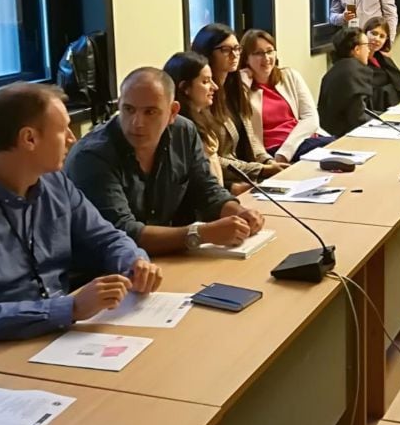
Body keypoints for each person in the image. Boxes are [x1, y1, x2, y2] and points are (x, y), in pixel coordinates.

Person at [0, 83, 163, 359]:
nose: (72, 139)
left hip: (63, 339)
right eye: (63, 130)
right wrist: (69, 308)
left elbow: (107, 238)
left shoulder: (55, 183)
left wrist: (134, 263)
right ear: (29, 139)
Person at [65, 68, 265, 256]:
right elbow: (122, 233)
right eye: (129, 109)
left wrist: (240, 213)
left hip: (165, 259)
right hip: (104, 272)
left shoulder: (183, 132)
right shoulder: (92, 155)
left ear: (173, 112)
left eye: (150, 112)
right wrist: (200, 234)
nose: (137, 122)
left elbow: (205, 189)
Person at [191, 23, 284, 192]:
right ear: (207, 52)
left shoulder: (236, 88)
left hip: (248, 173)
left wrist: (267, 161)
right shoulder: (202, 96)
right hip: (225, 181)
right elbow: (211, 157)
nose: (234, 55)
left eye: (237, 48)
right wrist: (260, 170)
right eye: (226, 50)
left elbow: (251, 137)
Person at [239, 28, 335, 163]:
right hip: (273, 150)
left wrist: (285, 153)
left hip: (304, 142)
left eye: (269, 51)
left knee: (343, 149)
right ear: (246, 58)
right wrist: (242, 83)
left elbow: (311, 117)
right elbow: (249, 134)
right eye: (258, 53)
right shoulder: (243, 88)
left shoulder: (289, 76)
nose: (266, 58)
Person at [164, 51, 223, 183]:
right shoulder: (179, 129)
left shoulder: (203, 115)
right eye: (206, 81)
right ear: (185, 87)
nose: (215, 87)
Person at [318, 28, 374, 137]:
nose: (369, 50)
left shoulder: (338, 69)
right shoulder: (353, 71)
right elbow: (358, 118)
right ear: (357, 49)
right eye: (367, 45)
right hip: (345, 138)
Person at [363, 16, 400, 111]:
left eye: (382, 36)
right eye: (374, 33)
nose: (377, 39)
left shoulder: (383, 60)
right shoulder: (358, 63)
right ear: (365, 34)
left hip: (395, 107)